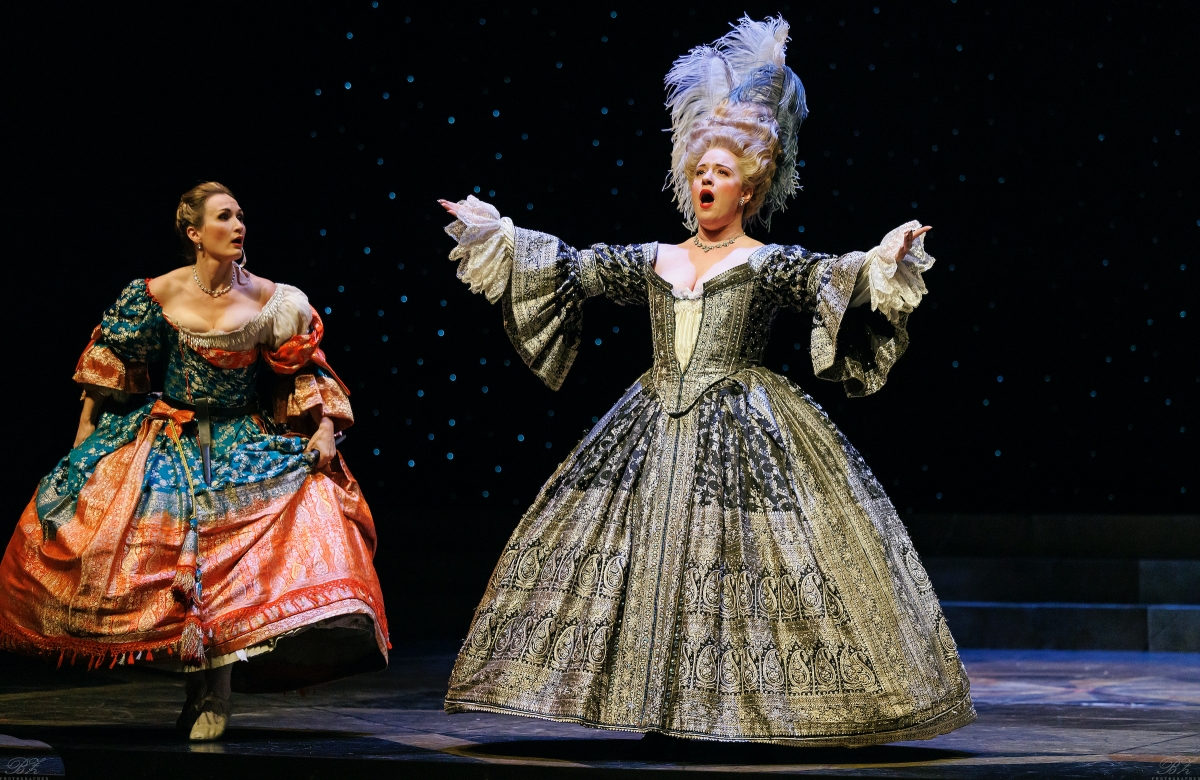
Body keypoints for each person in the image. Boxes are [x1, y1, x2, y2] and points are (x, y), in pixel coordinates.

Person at [437, 16, 972, 746]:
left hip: (745, 420)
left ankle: (727, 710)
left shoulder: (764, 261)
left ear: (748, 187)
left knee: (733, 560)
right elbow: (570, 267)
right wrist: (494, 231)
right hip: (654, 416)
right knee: (640, 556)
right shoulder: (656, 258)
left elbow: (832, 278)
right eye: (699, 171)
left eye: (721, 171)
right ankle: (650, 704)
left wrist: (886, 256)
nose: (707, 181)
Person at [0, 182, 389, 741]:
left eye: (241, 217)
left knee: (278, 522)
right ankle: (196, 683)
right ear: (193, 232)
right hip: (171, 433)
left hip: (241, 437)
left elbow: (307, 370)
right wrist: (85, 439)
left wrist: (325, 428)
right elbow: (111, 362)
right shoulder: (157, 294)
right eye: (225, 217)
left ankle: (218, 691)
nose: (239, 227)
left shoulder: (273, 300)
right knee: (153, 553)